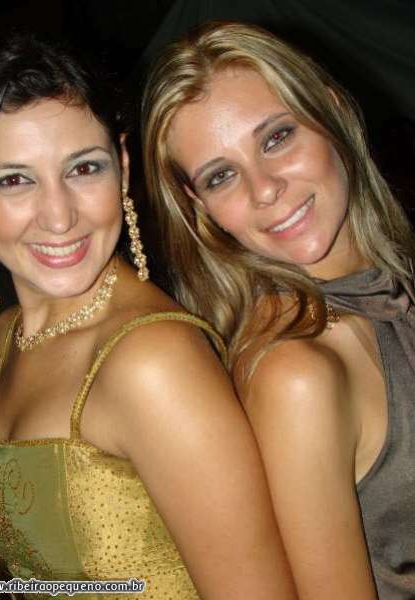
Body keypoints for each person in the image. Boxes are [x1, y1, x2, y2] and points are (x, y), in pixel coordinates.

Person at [0, 33, 298, 600]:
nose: (59, 216)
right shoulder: (6, 343)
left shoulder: (154, 363)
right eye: (14, 180)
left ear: (121, 166)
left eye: (83, 168)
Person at [141, 20, 415, 600]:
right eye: (221, 176)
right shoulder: (297, 372)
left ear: (331, 109)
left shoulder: (394, 284)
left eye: (276, 138)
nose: (264, 188)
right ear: (199, 207)